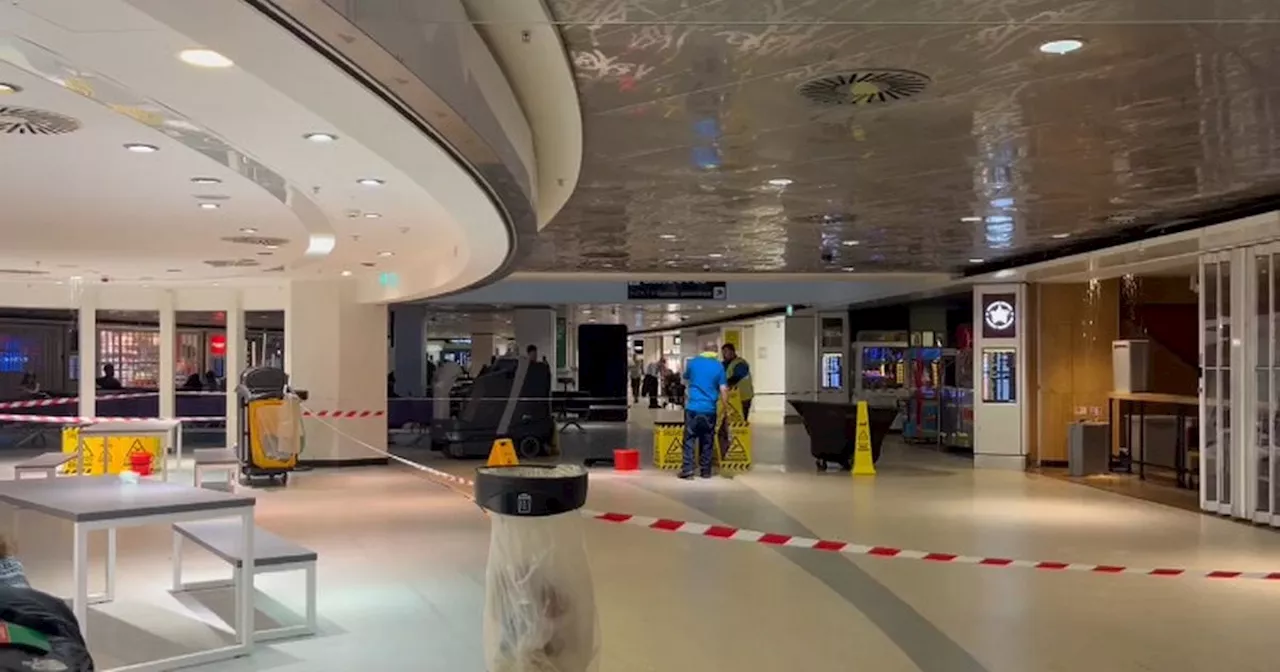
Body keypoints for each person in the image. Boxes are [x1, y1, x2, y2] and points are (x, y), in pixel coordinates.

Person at [679, 341, 727, 480]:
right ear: (715, 351)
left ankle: (687, 470)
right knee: (707, 440)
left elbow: (686, 378)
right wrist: (726, 408)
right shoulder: (719, 366)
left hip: (692, 407)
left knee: (689, 439)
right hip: (709, 410)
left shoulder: (693, 363)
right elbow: (724, 389)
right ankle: (705, 471)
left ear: (703, 349)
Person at [721, 344, 754, 421]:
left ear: (732, 352)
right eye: (723, 352)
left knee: (741, 418)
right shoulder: (725, 364)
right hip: (732, 397)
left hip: (743, 397)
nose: (724, 354)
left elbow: (737, 376)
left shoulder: (740, 363)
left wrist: (725, 384)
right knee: (730, 419)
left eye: (726, 352)